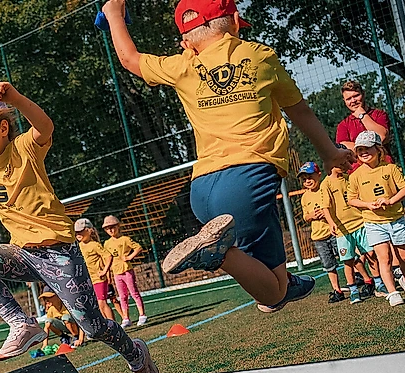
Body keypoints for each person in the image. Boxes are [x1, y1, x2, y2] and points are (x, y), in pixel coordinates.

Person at [103, 0, 353, 314]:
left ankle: (272, 274)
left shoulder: (183, 66)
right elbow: (299, 110)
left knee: (272, 290)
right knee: (271, 298)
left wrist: (113, 14)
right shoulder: (260, 56)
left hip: (204, 190)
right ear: (233, 20)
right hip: (250, 181)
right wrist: (329, 154)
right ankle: (221, 254)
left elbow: (129, 59)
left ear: (187, 40)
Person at [0, 65, 158, 373]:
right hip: (24, 255)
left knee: (91, 325)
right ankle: (22, 324)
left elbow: (44, 126)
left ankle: (136, 355)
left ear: (3, 128)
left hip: (60, 255)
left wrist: (15, 97)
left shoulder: (23, 149)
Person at [347, 130, 405, 306]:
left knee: (404, 256)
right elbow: (352, 199)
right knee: (383, 258)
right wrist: (368, 205)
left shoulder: (390, 168)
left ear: (379, 149)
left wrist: (391, 200)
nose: (364, 152)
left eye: (368, 148)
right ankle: (392, 292)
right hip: (373, 223)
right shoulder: (355, 175)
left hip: (395, 219)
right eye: (360, 149)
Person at [321, 164, 377, 304]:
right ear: (332, 162)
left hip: (360, 223)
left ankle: (380, 284)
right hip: (342, 231)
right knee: (349, 261)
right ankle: (353, 291)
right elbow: (325, 207)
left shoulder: (349, 178)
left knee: (371, 254)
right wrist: (331, 223)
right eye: (342, 162)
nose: (346, 165)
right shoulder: (326, 184)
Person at [297, 162, 345, 303]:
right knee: (329, 265)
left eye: (310, 177)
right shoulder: (305, 197)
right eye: (304, 179)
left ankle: (359, 280)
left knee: (348, 258)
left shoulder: (325, 188)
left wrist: (326, 214)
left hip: (335, 232)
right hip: (319, 237)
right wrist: (312, 215)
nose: (307, 181)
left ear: (318, 175)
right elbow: (305, 217)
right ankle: (337, 290)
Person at [101, 216, 149, 327]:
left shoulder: (125, 239)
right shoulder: (107, 243)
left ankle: (142, 315)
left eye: (113, 227)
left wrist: (129, 257)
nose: (111, 230)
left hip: (127, 270)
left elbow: (138, 247)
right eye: (108, 229)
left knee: (134, 293)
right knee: (122, 296)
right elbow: (106, 258)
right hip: (116, 272)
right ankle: (126, 318)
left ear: (118, 226)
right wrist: (108, 273)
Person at [75, 219, 120, 323]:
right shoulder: (79, 246)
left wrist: (104, 271)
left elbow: (108, 256)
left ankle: (113, 326)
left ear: (89, 231)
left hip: (98, 279)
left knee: (102, 303)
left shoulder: (94, 245)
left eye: (80, 231)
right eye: (76, 232)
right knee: (97, 305)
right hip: (88, 280)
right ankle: (107, 326)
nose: (78, 234)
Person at [336, 80, 391, 165]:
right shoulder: (343, 125)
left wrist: (362, 115)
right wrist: (371, 145)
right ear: (344, 101)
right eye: (349, 99)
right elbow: (343, 149)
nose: (353, 100)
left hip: (384, 166)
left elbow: (382, 137)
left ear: (363, 94)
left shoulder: (379, 115)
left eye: (356, 96)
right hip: (358, 171)